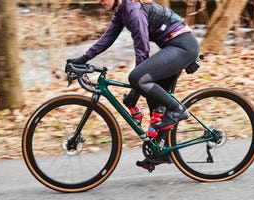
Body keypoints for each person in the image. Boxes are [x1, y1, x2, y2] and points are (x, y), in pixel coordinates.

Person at [67, 0, 199, 171]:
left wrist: (135, 90)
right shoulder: (121, 11)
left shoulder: (133, 11)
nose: (100, 1)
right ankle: (160, 152)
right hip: (172, 47)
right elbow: (107, 39)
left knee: (138, 78)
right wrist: (82, 59)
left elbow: (142, 50)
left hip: (182, 47)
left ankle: (178, 110)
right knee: (153, 96)